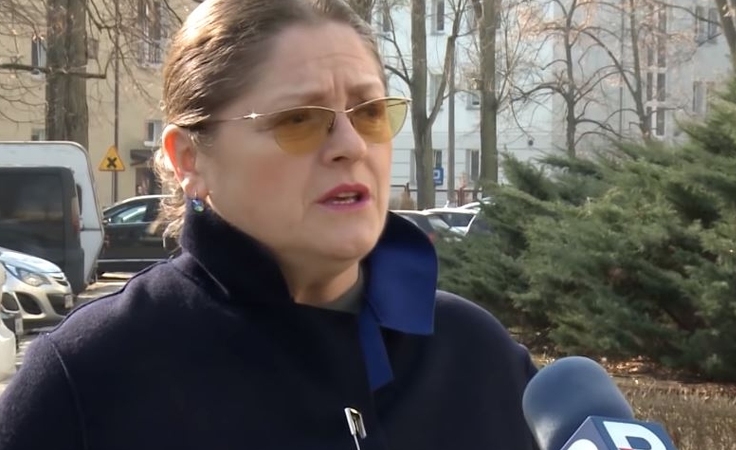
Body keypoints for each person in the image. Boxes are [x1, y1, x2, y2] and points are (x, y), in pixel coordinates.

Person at [0, 1, 538, 449]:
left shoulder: (476, 354)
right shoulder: (88, 377)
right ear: (190, 159)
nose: (351, 145)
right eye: (299, 119)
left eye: (370, 112)